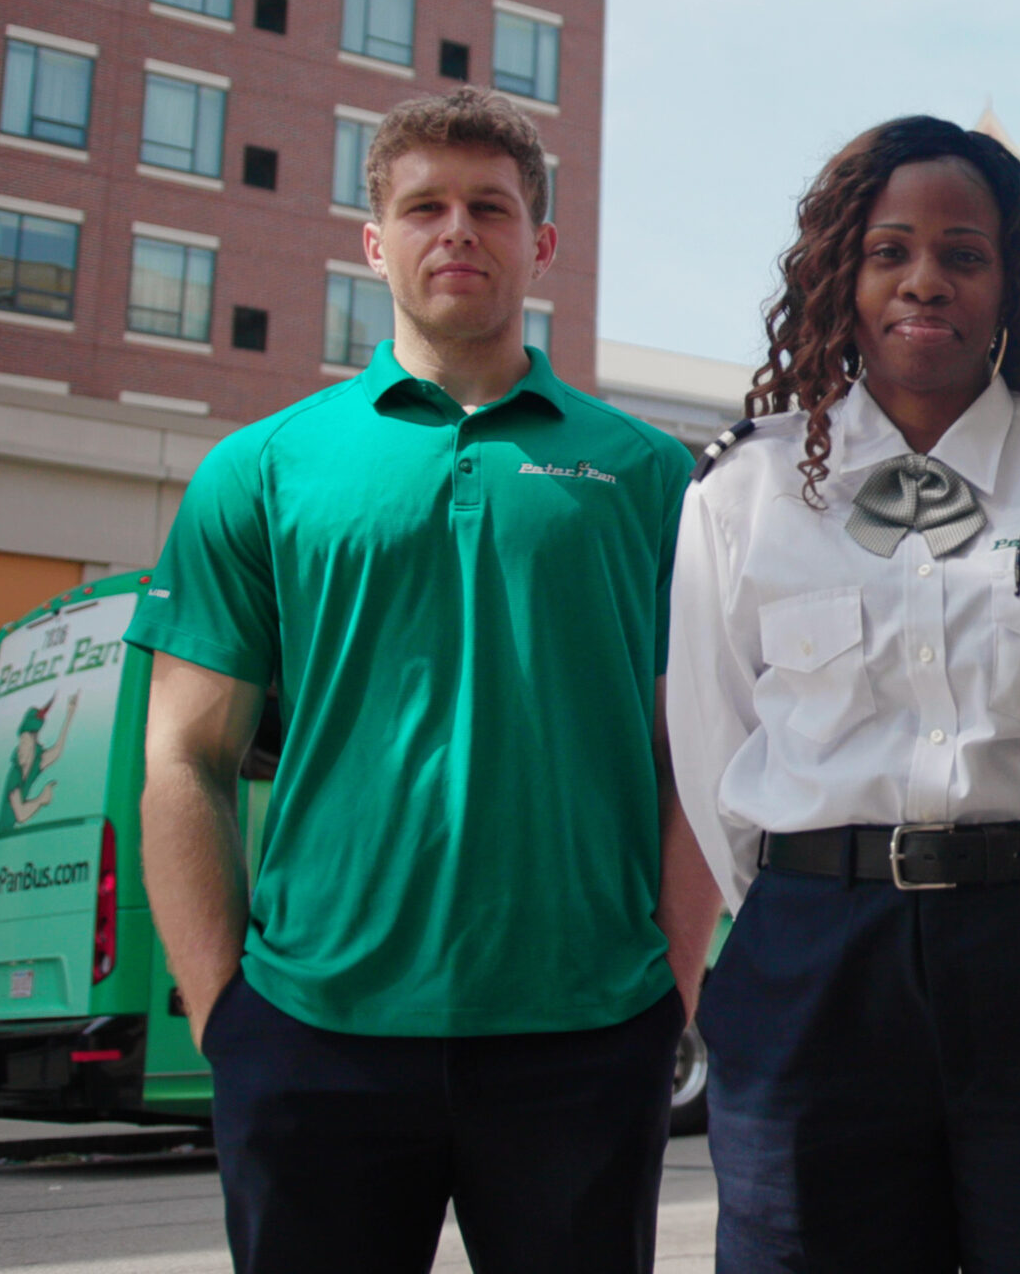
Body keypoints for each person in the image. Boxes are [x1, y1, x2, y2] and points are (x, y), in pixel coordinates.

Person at [127, 87, 717, 1274]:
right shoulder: (261, 468)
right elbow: (182, 757)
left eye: (490, 208)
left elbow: (691, 757)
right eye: (424, 207)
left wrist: (670, 988)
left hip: (585, 1030)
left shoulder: (654, 477)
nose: (458, 231)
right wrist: (227, 1017)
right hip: (311, 1033)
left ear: (541, 245)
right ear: (373, 241)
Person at [668, 114, 1020, 1274]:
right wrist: (822, 909)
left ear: (1009, 282)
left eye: (963, 254)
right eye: (890, 251)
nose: (926, 280)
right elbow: (716, 750)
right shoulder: (745, 489)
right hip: (818, 975)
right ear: (840, 275)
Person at [0, 690, 76, 831]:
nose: (21, 748)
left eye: (26, 741)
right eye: (21, 741)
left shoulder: (35, 763)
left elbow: (56, 751)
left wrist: (69, 715)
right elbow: (21, 815)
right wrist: (41, 799)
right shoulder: (15, 774)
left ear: (34, 744)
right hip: (3, 834)